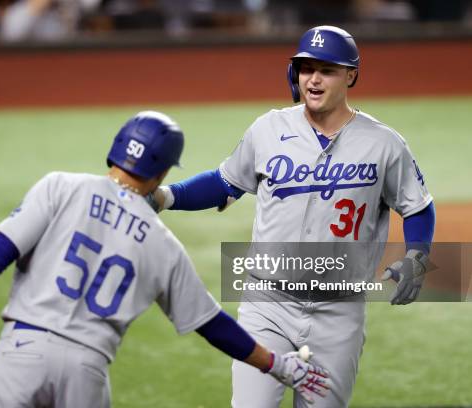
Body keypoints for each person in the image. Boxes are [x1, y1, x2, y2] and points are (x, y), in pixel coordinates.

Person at [0, 111, 330, 407]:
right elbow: (212, 325)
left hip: (21, 355)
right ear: (162, 172)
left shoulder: (61, 187)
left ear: (116, 149)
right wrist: (278, 365)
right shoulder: (163, 244)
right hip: (87, 374)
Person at [149, 26, 436, 407]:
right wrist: (166, 196)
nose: (313, 79)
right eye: (306, 68)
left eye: (327, 69)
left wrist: (417, 256)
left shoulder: (384, 143)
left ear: (351, 75)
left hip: (339, 311)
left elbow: (417, 205)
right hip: (267, 304)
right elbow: (224, 182)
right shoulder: (269, 129)